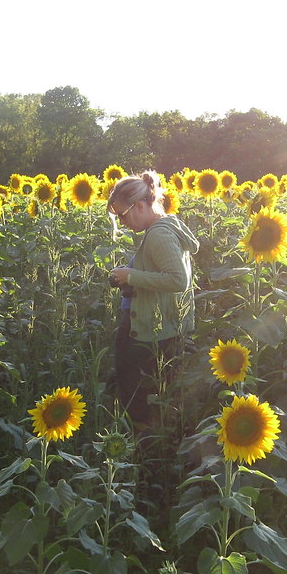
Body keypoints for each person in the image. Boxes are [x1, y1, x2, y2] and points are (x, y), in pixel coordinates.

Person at [107, 171, 200, 430]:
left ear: (138, 205)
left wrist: (131, 276)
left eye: (122, 215)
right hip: (158, 323)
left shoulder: (159, 234)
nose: (122, 222)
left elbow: (177, 280)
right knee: (153, 395)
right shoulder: (166, 226)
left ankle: (144, 450)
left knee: (136, 397)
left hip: (150, 331)